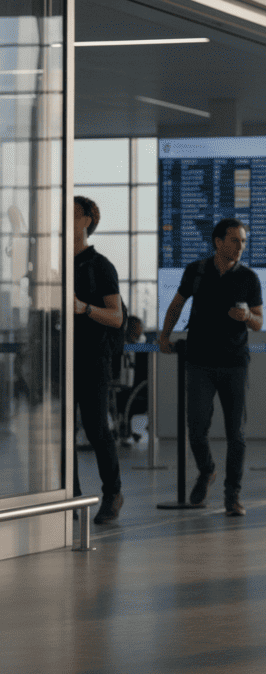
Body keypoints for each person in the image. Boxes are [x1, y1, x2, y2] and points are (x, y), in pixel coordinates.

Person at [157, 218, 264, 516]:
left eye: (243, 241)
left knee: (236, 434)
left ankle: (233, 495)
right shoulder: (197, 270)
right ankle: (207, 471)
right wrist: (165, 334)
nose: (240, 246)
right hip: (200, 362)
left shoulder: (249, 278)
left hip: (234, 364)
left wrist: (246, 319)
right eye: (234, 240)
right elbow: (177, 304)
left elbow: (258, 322)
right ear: (218, 241)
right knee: (196, 428)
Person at [72, 196, 125, 525]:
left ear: (87, 221)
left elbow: (117, 317)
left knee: (95, 429)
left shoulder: (100, 266)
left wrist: (85, 308)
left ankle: (113, 493)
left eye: (72, 214)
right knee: (61, 432)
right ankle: (71, 500)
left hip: (93, 359)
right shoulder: (56, 263)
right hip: (61, 360)